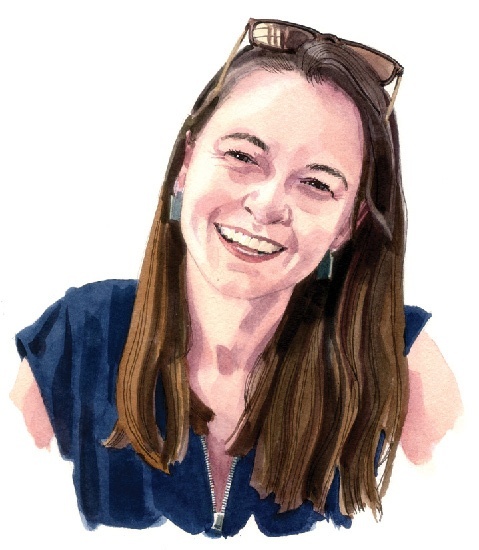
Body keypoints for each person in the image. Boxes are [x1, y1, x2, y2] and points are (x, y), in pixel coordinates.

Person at [11, 18, 461, 537]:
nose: (267, 205)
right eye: (243, 156)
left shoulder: (404, 365)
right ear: (186, 165)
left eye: (317, 184)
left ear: (348, 225)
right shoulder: (74, 340)